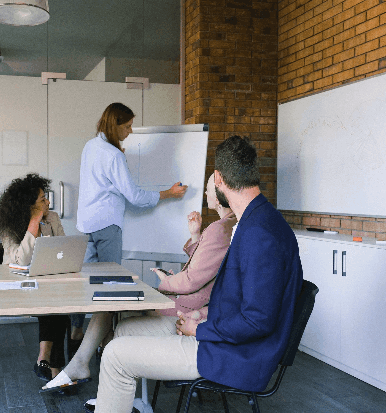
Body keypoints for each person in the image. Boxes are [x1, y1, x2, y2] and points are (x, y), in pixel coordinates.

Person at [84, 135, 303, 413]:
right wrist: (203, 315)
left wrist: (200, 328)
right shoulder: (258, 220)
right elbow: (247, 303)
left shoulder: (258, 232)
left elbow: (258, 321)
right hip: (223, 336)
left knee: (115, 355)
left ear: (218, 178)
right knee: (125, 330)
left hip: (235, 354)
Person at [42, 173, 237, 392]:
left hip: (183, 307)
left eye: (209, 188)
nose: (205, 192)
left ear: (218, 197)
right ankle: (95, 376)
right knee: (111, 308)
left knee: (111, 307)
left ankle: (94, 374)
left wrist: (165, 282)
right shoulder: (225, 226)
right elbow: (204, 267)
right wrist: (195, 236)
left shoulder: (219, 229)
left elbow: (192, 279)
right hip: (188, 301)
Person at [71, 102, 188, 352]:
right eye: (128, 126)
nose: (131, 131)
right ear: (115, 126)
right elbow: (135, 196)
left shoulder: (90, 146)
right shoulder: (113, 156)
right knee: (108, 287)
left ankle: (76, 332)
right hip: (106, 226)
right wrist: (168, 193)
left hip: (85, 224)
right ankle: (104, 342)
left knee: (85, 284)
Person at [0, 173, 83, 380]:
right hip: (18, 285)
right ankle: (53, 367)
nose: (48, 203)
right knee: (54, 305)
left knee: (57, 304)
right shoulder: (8, 224)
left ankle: (46, 362)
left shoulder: (52, 218)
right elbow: (20, 260)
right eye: (42, 199)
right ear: (29, 205)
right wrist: (34, 221)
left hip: (46, 281)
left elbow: (63, 248)